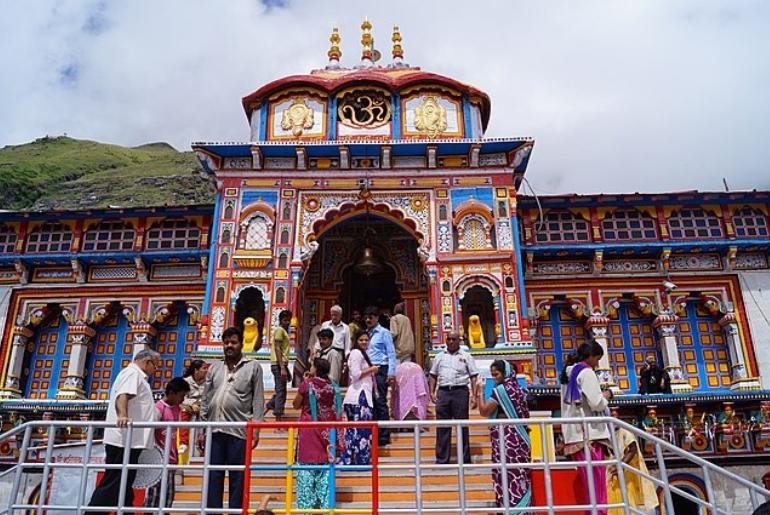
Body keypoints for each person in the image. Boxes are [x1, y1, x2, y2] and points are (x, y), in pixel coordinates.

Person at [87, 350, 161, 515]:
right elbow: (123, 396)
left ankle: (126, 511)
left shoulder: (138, 377)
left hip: (131, 440)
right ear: (147, 361)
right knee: (114, 480)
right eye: (155, 366)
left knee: (125, 480)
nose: (155, 370)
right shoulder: (132, 374)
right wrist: (122, 415)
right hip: (123, 439)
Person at [199, 326, 265, 511]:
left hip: (239, 430)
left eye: (233, 342)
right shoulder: (214, 368)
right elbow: (206, 398)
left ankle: (236, 511)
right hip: (215, 428)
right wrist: (202, 429)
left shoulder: (253, 367)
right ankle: (213, 511)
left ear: (241, 344)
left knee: (238, 478)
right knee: (213, 476)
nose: (229, 346)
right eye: (226, 342)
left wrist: (256, 429)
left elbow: (258, 400)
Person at [561, 342, 613, 515]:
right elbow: (596, 403)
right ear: (590, 356)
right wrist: (607, 396)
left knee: (587, 482)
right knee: (597, 481)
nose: (597, 364)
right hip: (589, 434)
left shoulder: (568, 374)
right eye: (597, 359)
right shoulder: (586, 372)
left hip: (574, 434)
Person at [478, 360, 531, 510]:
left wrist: (479, 392)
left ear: (504, 373)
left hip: (507, 439)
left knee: (507, 473)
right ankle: (523, 508)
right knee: (520, 473)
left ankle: (510, 508)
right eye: (492, 375)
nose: (494, 378)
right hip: (520, 439)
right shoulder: (519, 390)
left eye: (496, 374)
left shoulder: (501, 391)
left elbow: (484, 411)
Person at [292, 357, 341, 511]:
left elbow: (295, 404)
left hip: (309, 433)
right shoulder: (333, 386)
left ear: (315, 369)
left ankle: (306, 509)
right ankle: (327, 509)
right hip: (328, 434)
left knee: (306, 473)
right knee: (326, 474)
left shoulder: (308, 384)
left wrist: (304, 382)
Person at [428, 331, 479, 464]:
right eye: (449, 339)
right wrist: (432, 392)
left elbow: (473, 376)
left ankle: (464, 458)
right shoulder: (439, 356)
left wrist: (474, 395)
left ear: (459, 341)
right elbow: (433, 374)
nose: (451, 341)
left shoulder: (466, 356)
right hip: (444, 391)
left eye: (453, 339)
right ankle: (442, 459)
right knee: (442, 426)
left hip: (460, 392)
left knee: (462, 426)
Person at [144, 377, 190, 513]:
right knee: (154, 495)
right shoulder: (158, 409)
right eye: (181, 396)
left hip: (171, 459)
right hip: (157, 460)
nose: (182, 399)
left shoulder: (177, 409)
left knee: (168, 495)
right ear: (172, 393)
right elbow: (149, 433)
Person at [341, 331, 379, 465]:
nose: (364, 342)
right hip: (359, 396)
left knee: (356, 431)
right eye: (361, 340)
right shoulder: (356, 353)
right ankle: (359, 460)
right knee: (361, 431)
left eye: (366, 340)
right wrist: (372, 369)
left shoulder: (363, 354)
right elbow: (355, 375)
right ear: (356, 341)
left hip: (361, 395)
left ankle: (351, 460)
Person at [364, 305, 397, 447]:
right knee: (369, 402)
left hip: (380, 369)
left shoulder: (384, 333)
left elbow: (391, 353)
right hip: (368, 370)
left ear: (377, 318)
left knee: (380, 401)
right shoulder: (366, 334)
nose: (368, 320)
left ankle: (383, 435)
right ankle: (373, 434)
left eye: (371, 317)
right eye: (366, 317)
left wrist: (391, 372)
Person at [607, 426, 659, 515]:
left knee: (626, 501)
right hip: (610, 472)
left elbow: (633, 449)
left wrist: (621, 466)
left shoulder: (625, 432)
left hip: (624, 475)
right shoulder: (606, 433)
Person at [179, 359, 209, 459]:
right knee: (184, 412)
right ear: (196, 370)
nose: (206, 371)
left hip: (203, 408)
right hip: (188, 407)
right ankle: (184, 442)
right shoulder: (185, 382)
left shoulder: (208, 383)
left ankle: (203, 444)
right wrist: (192, 404)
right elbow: (181, 398)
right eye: (204, 368)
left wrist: (201, 405)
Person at [267, 310, 292, 423]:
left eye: (288, 320)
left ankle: (266, 409)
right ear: (281, 320)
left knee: (280, 391)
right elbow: (277, 348)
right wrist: (282, 367)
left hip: (281, 363)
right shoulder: (279, 331)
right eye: (285, 320)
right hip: (278, 364)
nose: (287, 322)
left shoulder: (284, 331)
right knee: (281, 392)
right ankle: (278, 421)